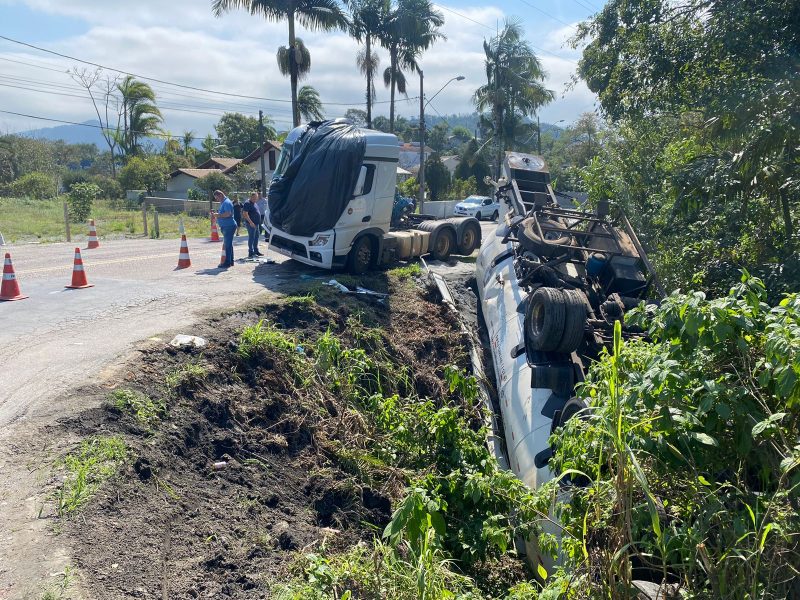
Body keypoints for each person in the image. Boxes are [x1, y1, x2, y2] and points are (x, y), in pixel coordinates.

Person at [214, 190, 236, 268]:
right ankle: (231, 261)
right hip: (227, 226)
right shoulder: (224, 202)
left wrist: (218, 215)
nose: (217, 200)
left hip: (228, 226)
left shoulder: (226, 202)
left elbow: (228, 213)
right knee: (229, 244)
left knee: (227, 245)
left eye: (217, 198)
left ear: (220, 195)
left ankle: (227, 263)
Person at [242, 192, 263, 258]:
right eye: (254, 197)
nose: (255, 199)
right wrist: (251, 222)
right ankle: (250, 252)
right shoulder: (247, 203)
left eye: (256, 198)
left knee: (256, 237)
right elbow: (245, 214)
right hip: (251, 224)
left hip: (256, 224)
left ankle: (256, 251)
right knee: (251, 237)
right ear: (250, 197)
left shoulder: (255, 203)